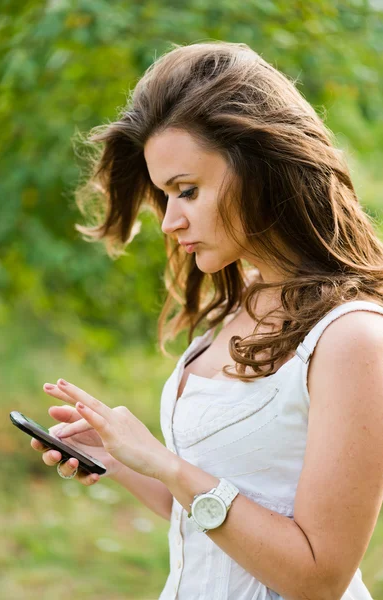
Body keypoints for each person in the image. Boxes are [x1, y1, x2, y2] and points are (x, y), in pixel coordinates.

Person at [30, 41, 383, 599]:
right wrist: (122, 461)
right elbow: (206, 516)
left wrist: (167, 465)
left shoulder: (352, 338)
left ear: (261, 170)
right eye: (166, 196)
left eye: (186, 191)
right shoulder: (237, 303)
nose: (170, 221)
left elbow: (320, 578)